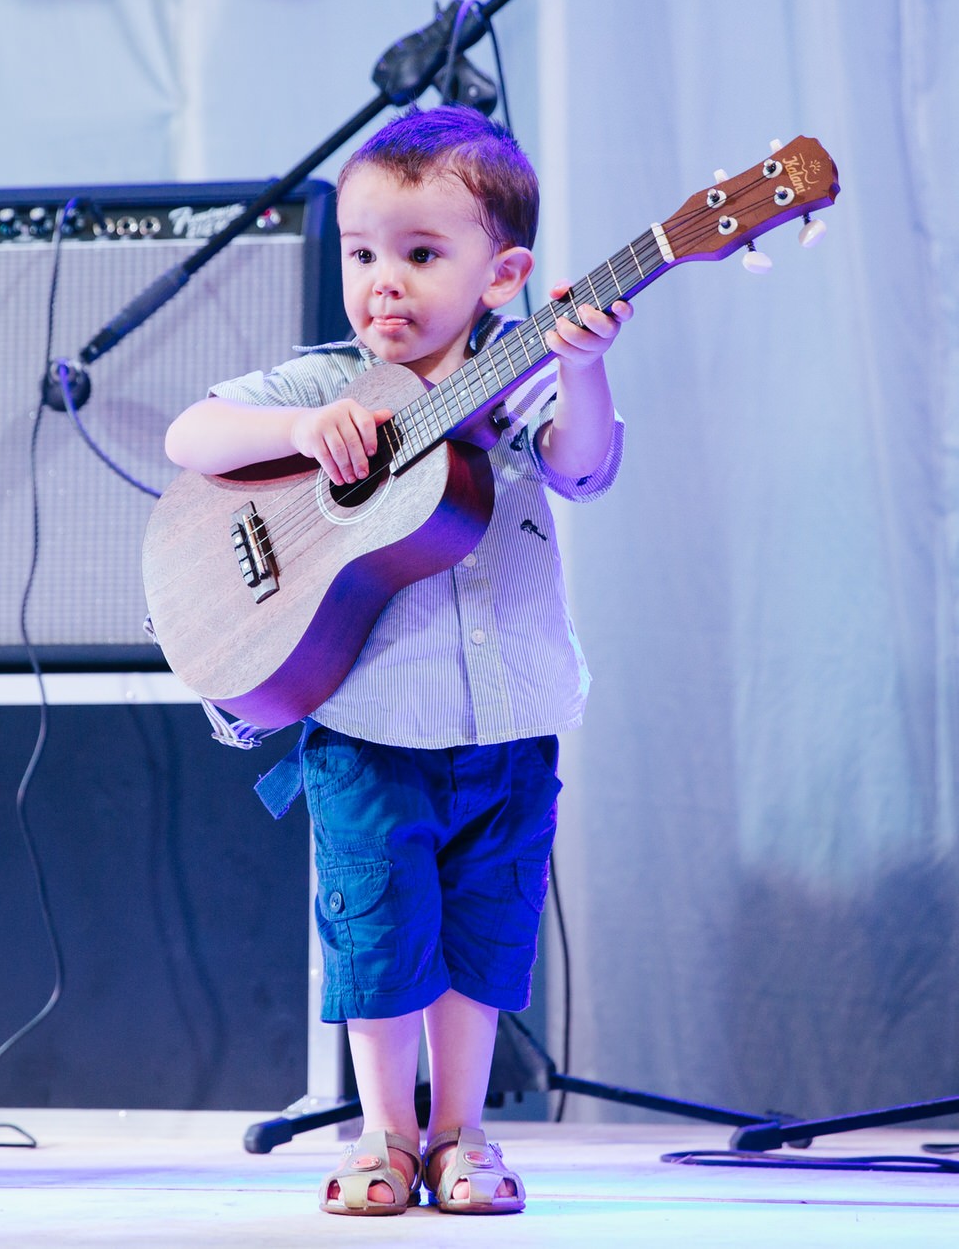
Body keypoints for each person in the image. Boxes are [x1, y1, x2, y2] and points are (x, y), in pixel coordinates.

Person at [163, 105, 632, 1216]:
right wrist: (305, 429)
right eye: (362, 254)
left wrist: (590, 370)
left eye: (421, 256)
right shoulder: (320, 380)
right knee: (376, 923)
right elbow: (190, 438)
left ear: (503, 272)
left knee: (485, 921)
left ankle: (463, 1134)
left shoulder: (521, 379)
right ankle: (386, 1132)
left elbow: (584, 469)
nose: (383, 281)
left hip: (508, 713)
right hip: (366, 716)